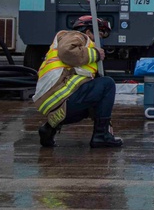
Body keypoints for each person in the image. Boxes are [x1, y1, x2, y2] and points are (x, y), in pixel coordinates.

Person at [34, 15, 123, 148]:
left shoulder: (67, 44)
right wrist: (96, 54)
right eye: (99, 35)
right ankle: (101, 135)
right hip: (61, 96)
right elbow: (66, 52)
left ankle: (49, 129)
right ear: (88, 32)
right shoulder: (77, 36)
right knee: (108, 84)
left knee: (97, 96)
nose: (101, 41)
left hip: (55, 103)